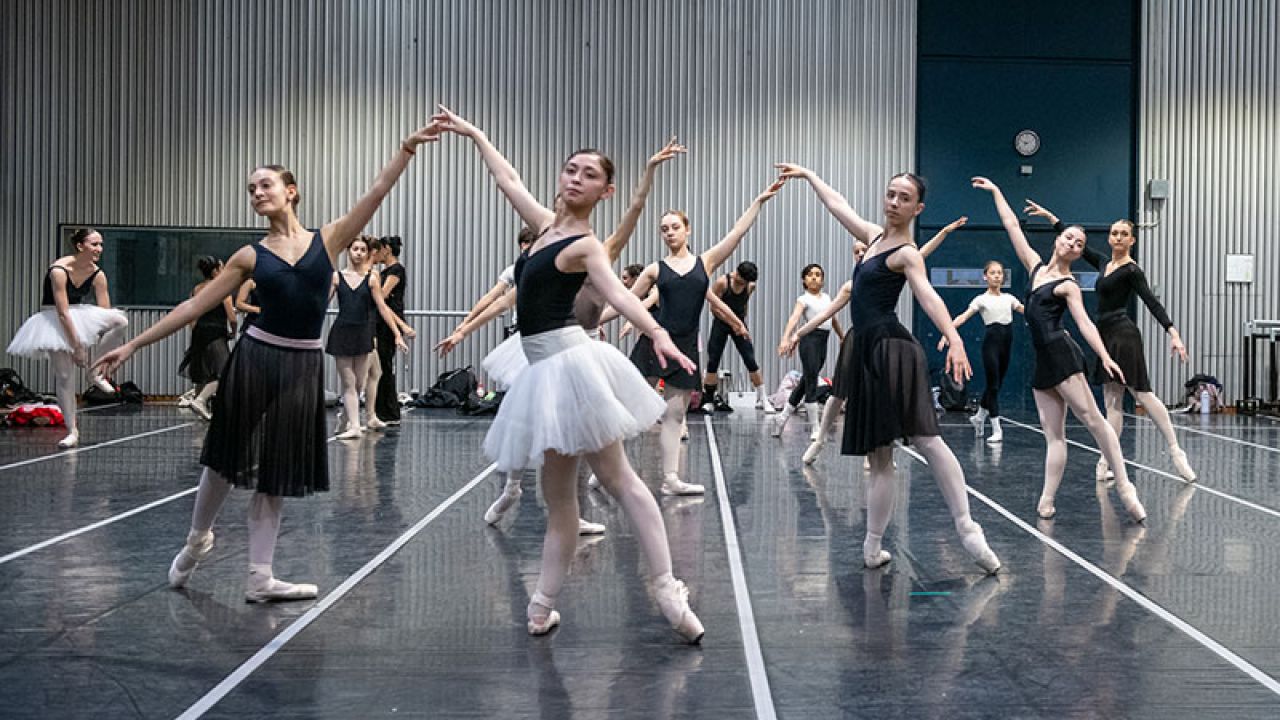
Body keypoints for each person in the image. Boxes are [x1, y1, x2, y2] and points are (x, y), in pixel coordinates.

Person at [94, 121, 440, 602]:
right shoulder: (249, 257)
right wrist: (133, 345)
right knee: (223, 460)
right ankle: (198, 538)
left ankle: (260, 577)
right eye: (251, 188)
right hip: (255, 358)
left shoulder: (331, 239)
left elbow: (377, 191)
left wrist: (406, 149)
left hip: (300, 367)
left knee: (275, 470)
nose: (257, 192)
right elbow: (193, 308)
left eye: (266, 184)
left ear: (291, 191)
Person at [432, 105, 703, 641]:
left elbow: (619, 294)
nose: (575, 179)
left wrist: (657, 333)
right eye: (570, 169)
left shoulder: (584, 246)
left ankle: (669, 589)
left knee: (618, 480)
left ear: (605, 192)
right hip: (543, 371)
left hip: (570, 365)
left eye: (589, 175)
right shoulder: (541, 228)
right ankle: (540, 608)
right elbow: (505, 177)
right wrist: (474, 132)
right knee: (560, 501)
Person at [437, 138, 686, 534]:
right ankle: (517, 488)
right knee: (528, 423)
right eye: (565, 183)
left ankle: (572, 513)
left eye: (584, 179)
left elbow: (632, 220)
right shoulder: (541, 250)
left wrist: (649, 171)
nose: (563, 199)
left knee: (582, 438)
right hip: (539, 349)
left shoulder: (594, 249)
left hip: (579, 348)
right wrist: (463, 328)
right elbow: (505, 302)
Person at [776, 163, 1001, 574]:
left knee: (926, 440)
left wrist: (953, 337)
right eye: (890, 194)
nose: (894, 202)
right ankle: (872, 546)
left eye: (904, 198)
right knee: (880, 456)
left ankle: (968, 529)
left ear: (918, 208)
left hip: (891, 349)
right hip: (865, 350)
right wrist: (809, 175)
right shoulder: (874, 237)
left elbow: (929, 297)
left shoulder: (906, 253)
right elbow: (838, 205)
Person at [972, 177, 1147, 523]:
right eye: (1069, 237)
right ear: (1058, 240)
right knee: (1054, 436)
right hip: (1043, 364)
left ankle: (1126, 489)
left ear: (1080, 253)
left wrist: (1107, 356)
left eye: (1080, 243)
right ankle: (1046, 499)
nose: (1073, 243)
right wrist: (997, 192)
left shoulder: (1069, 286)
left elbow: (1084, 325)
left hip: (1063, 356)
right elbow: (1011, 226)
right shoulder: (1035, 266)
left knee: (1096, 423)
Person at [628, 182, 786, 495]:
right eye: (664, 229)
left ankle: (671, 479)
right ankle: (606, 470)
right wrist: (594, 320)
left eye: (675, 227)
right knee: (636, 411)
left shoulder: (706, 262)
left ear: (687, 229)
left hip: (686, 346)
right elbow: (625, 300)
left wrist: (758, 201)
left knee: (675, 414)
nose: (669, 233)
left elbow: (736, 234)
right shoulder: (654, 270)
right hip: (655, 343)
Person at [1024, 200, 1196, 482]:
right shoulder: (1104, 263)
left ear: (1132, 240)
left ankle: (1176, 450)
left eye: (1123, 234)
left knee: (1141, 393)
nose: (1117, 238)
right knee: (1112, 401)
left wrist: (1173, 333)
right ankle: (1106, 461)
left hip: (1124, 333)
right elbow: (1072, 241)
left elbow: (1152, 302)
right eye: (1114, 233)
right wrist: (1051, 217)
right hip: (1104, 334)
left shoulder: (1131, 270)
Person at [786, 217, 966, 465]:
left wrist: (943, 231)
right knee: (838, 393)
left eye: (863, 250)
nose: (861, 254)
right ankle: (819, 439)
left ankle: (879, 448)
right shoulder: (851, 285)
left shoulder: (892, 263)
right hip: (856, 341)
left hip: (882, 340)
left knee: (880, 393)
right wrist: (799, 333)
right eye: (856, 252)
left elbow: (918, 254)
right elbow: (826, 314)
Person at [7, 227, 129, 448]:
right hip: (53, 319)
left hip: (80, 313)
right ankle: (72, 430)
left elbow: (105, 311)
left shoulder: (98, 274)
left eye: (101, 244)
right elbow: (62, 313)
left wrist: (97, 344)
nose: (99, 249)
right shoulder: (59, 270)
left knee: (120, 321)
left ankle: (95, 372)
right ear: (80, 246)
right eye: (94, 244)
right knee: (65, 377)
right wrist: (77, 347)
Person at [327, 235, 408, 439]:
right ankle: (354, 425)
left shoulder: (372, 278)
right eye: (356, 249)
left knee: (359, 383)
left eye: (363, 250)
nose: (359, 253)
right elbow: (322, 304)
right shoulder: (337, 277)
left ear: (367, 253)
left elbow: (383, 308)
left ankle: (347, 419)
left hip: (364, 333)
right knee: (348, 381)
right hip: (343, 331)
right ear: (349, 251)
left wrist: (397, 334)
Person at [937, 260, 1024, 444]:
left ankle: (978, 418)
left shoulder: (1009, 299)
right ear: (985, 277)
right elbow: (963, 316)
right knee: (993, 386)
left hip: (1006, 344)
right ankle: (996, 429)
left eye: (1000, 273)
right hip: (991, 345)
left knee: (996, 386)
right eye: (993, 273)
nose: (997, 276)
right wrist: (948, 334)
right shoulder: (981, 299)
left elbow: (1028, 311)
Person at [773, 263, 843, 438]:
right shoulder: (803, 299)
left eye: (818, 274)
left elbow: (833, 319)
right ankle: (815, 427)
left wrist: (842, 336)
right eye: (810, 274)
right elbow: (794, 318)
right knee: (811, 381)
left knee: (806, 381)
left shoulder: (827, 298)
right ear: (804, 280)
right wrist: (785, 337)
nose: (814, 277)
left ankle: (782, 417)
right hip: (809, 341)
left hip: (823, 341)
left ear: (823, 279)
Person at [701, 261, 772, 412]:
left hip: (739, 324)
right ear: (737, 274)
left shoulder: (750, 286)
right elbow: (714, 308)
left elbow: (744, 304)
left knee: (750, 359)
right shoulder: (722, 283)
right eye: (742, 280)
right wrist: (732, 323)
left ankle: (763, 398)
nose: (744, 283)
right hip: (721, 323)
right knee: (713, 360)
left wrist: (740, 324)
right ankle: (708, 400)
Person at [178, 256, 237, 421]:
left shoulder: (197, 289)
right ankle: (201, 400)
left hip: (199, 332)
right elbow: (231, 317)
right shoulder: (222, 288)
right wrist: (233, 331)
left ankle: (200, 405)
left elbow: (192, 313)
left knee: (202, 370)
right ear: (216, 270)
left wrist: (195, 330)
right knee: (224, 370)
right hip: (215, 333)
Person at [367, 235, 415, 425]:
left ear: (387, 249)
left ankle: (388, 411)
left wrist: (401, 327)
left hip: (389, 322)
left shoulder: (395, 270)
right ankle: (380, 410)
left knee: (384, 366)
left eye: (378, 250)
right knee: (379, 366)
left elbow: (383, 296)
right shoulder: (384, 271)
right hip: (382, 321)